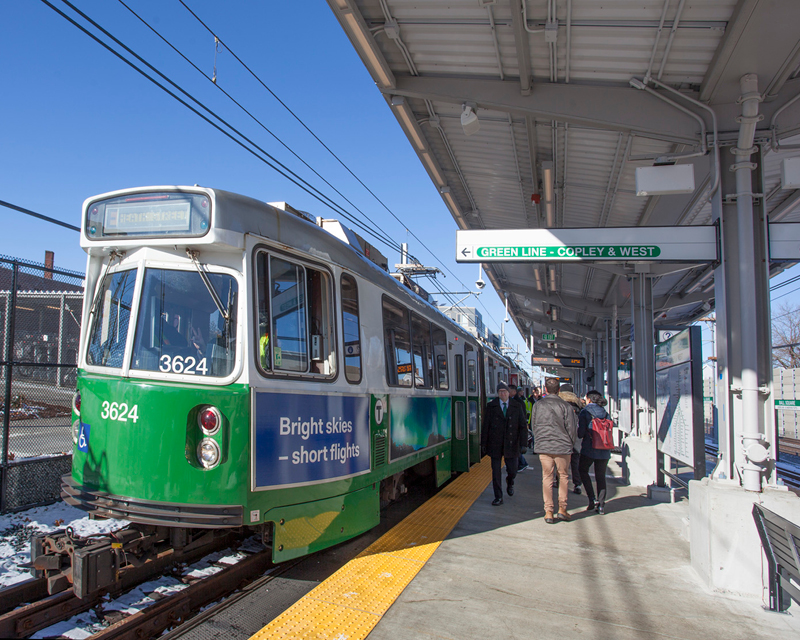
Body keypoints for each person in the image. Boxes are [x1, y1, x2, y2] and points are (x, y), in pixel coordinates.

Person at [530, 377, 578, 523]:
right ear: (559, 391)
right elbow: (571, 428)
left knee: (547, 478)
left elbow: (534, 425)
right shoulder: (566, 406)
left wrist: (538, 440)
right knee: (563, 477)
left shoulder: (538, 405)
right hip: (562, 447)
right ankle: (562, 509)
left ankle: (548, 512)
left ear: (545, 389)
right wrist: (570, 444)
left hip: (544, 446)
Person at [481, 381, 528, 506]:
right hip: (495, 444)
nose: (503, 394)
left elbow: (523, 426)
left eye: (505, 391)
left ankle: (510, 482)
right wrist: (483, 443)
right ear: (498, 394)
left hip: (512, 444)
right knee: (495, 472)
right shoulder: (491, 406)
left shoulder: (517, 406)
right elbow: (486, 426)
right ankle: (498, 497)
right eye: (500, 392)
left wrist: (524, 444)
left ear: (508, 393)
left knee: (512, 470)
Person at [578, 390, 613, 514]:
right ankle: (601, 505)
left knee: (582, 470)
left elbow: (580, 433)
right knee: (600, 476)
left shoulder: (585, 412)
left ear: (588, 399)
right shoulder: (605, 412)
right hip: (604, 449)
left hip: (589, 448)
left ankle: (591, 498)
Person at [558, 383, 584, 495]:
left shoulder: (559, 404)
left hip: (561, 437)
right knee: (575, 462)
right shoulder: (578, 405)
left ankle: (558, 481)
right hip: (575, 438)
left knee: (560, 461)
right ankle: (577, 484)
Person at [508, 382, 529, 472]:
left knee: (515, 449)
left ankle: (522, 463)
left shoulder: (518, 403)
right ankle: (521, 463)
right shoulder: (517, 401)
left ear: (513, 392)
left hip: (516, 430)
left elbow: (522, 418)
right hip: (514, 429)